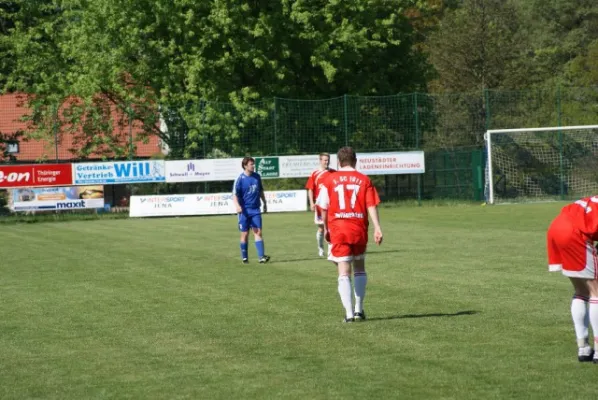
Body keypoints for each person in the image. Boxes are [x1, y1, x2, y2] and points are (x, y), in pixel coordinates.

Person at [316, 146, 383, 322]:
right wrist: (377, 227)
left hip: (339, 230)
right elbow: (371, 205)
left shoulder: (329, 180)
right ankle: (359, 310)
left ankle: (348, 314)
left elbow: (323, 206)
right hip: (359, 229)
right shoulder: (364, 180)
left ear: (338, 162)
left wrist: (327, 227)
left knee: (344, 271)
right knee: (359, 268)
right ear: (355, 160)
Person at [547, 195, 598, 363]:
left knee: (581, 291)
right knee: (596, 292)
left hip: (556, 228)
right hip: (575, 233)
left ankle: (583, 346)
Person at [232, 157, 270, 264]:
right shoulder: (240, 179)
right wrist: (237, 206)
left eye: (253, 164)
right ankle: (245, 258)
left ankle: (261, 257)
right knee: (244, 234)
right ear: (245, 166)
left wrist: (265, 203)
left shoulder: (257, 177)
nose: (253, 166)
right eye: (251, 164)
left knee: (258, 232)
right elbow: (234, 195)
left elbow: (260, 191)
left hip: (255, 210)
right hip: (244, 211)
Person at [305, 152, 336, 257]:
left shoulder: (334, 173)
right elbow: (310, 189)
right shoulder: (315, 173)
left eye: (328, 160)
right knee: (322, 228)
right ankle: (320, 249)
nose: (326, 162)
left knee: (332, 227)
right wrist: (311, 203)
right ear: (320, 160)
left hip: (332, 204)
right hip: (319, 204)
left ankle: (331, 250)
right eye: (324, 160)